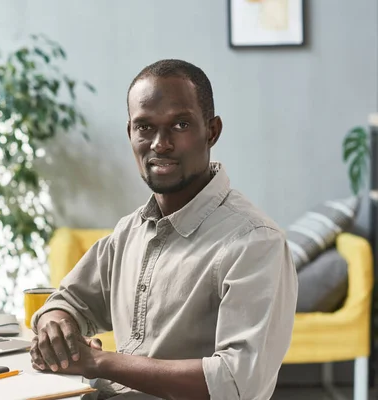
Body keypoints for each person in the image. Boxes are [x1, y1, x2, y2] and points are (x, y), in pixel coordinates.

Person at [29, 59, 298, 400]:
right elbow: (68, 301)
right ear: (130, 132)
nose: (160, 143)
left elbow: (235, 382)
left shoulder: (255, 241)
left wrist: (99, 362)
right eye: (144, 127)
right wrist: (56, 326)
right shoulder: (130, 231)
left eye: (180, 124)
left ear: (211, 131)